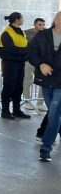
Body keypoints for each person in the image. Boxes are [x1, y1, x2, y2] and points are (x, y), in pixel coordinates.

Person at [28, 12, 61, 161]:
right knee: (54, 113)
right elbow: (31, 52)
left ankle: (46, 149)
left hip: (60, 82)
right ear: (56, 20)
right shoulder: (43, 35)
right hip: (46, 80)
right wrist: (41, 64)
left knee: (54, 114)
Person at [0, 12, 31, 120]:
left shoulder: (21, 32)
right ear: (17, 20)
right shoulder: (6, 33)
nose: (23, 20)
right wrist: (25, 52)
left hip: (20, 63)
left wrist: (24, 52)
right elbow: (10, 50)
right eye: (22, 18)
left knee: (18, 87)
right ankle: (5, 111)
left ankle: (16, 110)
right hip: (9, 64)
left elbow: (25, 46)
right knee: (8, 87)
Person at [24, 17, 47, 112]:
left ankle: (40, 103)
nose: (42, 27)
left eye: (43, 25)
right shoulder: (26, 33)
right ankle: (27, 101)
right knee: (28, 80)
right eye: (39, 24)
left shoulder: (46, 33)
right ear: (34, 24)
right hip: (30, 61)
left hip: (42, 62)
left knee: (42, 81)